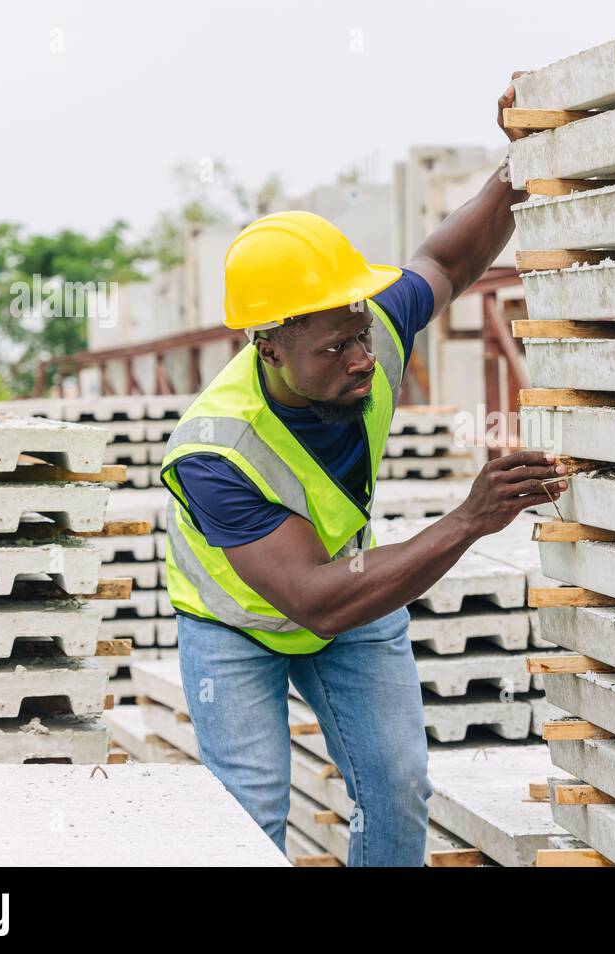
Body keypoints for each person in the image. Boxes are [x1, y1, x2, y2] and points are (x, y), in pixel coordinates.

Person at [159, 77, 561, 865]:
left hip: (345, 586)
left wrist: (523, 161)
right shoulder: (213, 453)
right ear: (267, 346)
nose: (362, 359)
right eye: (334, 348)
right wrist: (470, 520)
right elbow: (315, 602)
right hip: (239, 624)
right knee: (251, 816)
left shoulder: (362, 322)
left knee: (399, 786)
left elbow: (447, 258)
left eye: (361, 334)